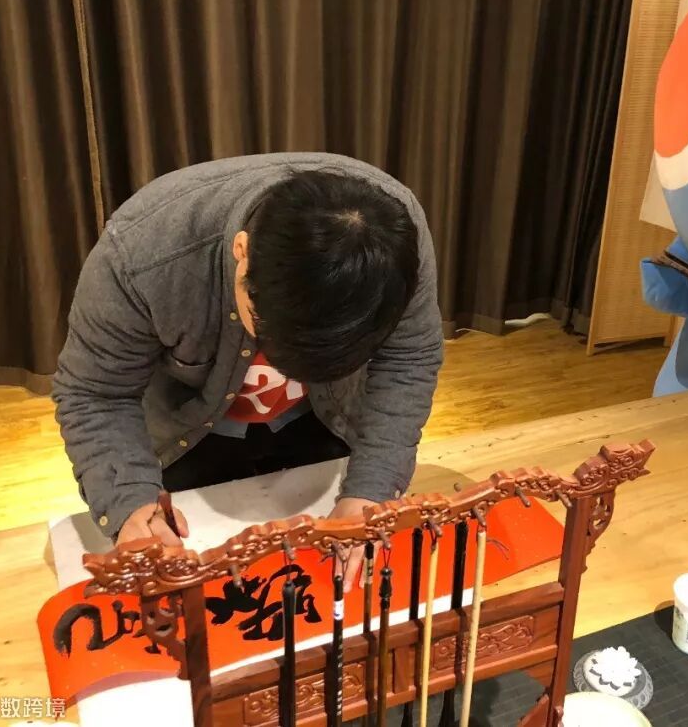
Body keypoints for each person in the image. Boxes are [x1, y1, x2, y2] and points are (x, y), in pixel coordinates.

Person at [53, 153, 443, 590]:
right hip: (187, 433)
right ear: (242, 252)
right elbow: (96, 392)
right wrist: (128, 503)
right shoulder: (143, 253)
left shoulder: (394, 239)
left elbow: (409, 358)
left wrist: (371, 490)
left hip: (323, 415)